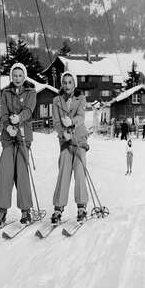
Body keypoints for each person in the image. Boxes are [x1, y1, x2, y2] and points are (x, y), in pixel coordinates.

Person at [0, 63, 37, 227]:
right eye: (15, 75)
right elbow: (3, 114)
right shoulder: (6, 93)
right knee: (5, 172)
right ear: (11, 76)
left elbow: (29, 110)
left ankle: (26, 210)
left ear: (24, 76)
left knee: (21, 173)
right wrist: (8, 127)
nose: (17, 78)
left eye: (20, 75)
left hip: (24, 137)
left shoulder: (31, 92)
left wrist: (19, 118)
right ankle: (2, 211)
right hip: (8, 138)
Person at [51, 71, 89, 224]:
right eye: (65, 82)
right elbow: (55, 121)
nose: (67, 85)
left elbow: (81, 117)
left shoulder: (81, 98)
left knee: (79, 171)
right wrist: (62, 133)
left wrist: (71, 122)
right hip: (66, 142)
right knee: (64, 172)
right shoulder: (56, 100)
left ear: (74, 84)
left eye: (70, 82)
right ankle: (58, 208)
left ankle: (81, 207)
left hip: (79, 139)